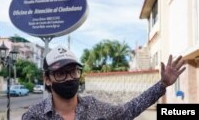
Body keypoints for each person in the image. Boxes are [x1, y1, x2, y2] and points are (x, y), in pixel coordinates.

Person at [22, 45, 186, 120]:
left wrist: (162, 85)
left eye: (73, 71)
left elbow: (128, 111)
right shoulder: (34, 116)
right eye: (60, 74)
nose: (69, 78)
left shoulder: (94, 107)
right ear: (47, 79)